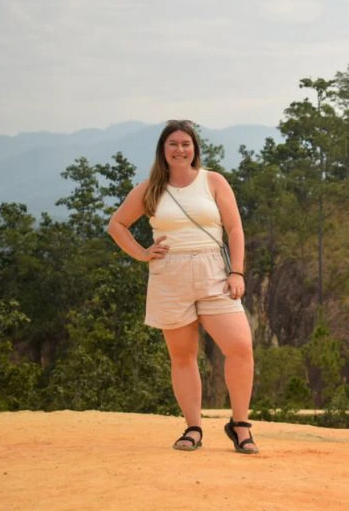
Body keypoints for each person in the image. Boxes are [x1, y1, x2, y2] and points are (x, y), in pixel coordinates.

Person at [107, 119, 257, 454]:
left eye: (185, 143)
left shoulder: (213, 181)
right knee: (183, 356)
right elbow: (116, 224)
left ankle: (240, 425)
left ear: (195, 149)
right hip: (169, 274)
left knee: (240, 347)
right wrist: (142, 254)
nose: (180, 149)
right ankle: (193, 428)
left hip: (214, 272)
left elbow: (235, 229)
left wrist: (238, 272)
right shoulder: (151, 189)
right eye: (173, 144)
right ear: (163, 150)